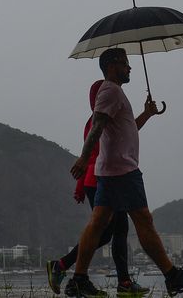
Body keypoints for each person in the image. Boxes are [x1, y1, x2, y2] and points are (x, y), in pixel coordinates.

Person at [63, 48, 183, 297]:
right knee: (143, 220)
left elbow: (126, 129)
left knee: (97, 225)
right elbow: (97, 126)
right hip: (122, 171)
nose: (130, 68)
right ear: (111, 65)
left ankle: (78, 279)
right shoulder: (110, 90)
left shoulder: (115, 93)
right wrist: (84, 158)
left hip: (112, 170)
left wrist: (147, 114)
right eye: (125, 63)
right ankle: (172, 276)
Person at [46, 80, 147, 296]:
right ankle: (119, 282)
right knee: (111, 231)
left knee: (110, 232)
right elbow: (91, 154)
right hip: (103, 180)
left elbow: (128, 130)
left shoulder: (102, 119)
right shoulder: (98, 121)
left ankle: (66, 267)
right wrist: (81, 186)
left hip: (100, 180)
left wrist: (147, 114)